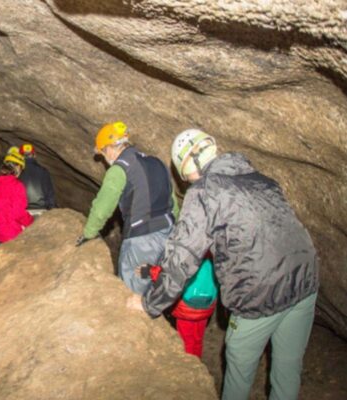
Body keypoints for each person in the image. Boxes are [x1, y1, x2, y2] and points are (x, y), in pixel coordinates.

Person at [127, 129, 319, 400]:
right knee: (287, 369)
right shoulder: (263, 180)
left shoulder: (205, 191)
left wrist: (149, 304)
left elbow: (182, 256)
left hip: (259, 292)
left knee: (240, 371)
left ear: (187, 167)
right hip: (306, 281)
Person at [76, 121, 177, 296]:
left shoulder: (119, 169)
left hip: (143, 239)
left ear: (109, 148)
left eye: (103, 152)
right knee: (157, 288)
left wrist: (88, 233)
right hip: (169, 233)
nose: (104, 159)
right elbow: (173, 202)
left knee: (131, 292)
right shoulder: (157, 162)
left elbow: (102, 207)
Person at [18, 143, 56, 217]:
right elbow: (49, 193)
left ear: (20, 156)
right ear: (34, 155)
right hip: (41, 211)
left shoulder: (17, 172)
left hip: (23, 212)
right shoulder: (43, 171)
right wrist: (51, 210)